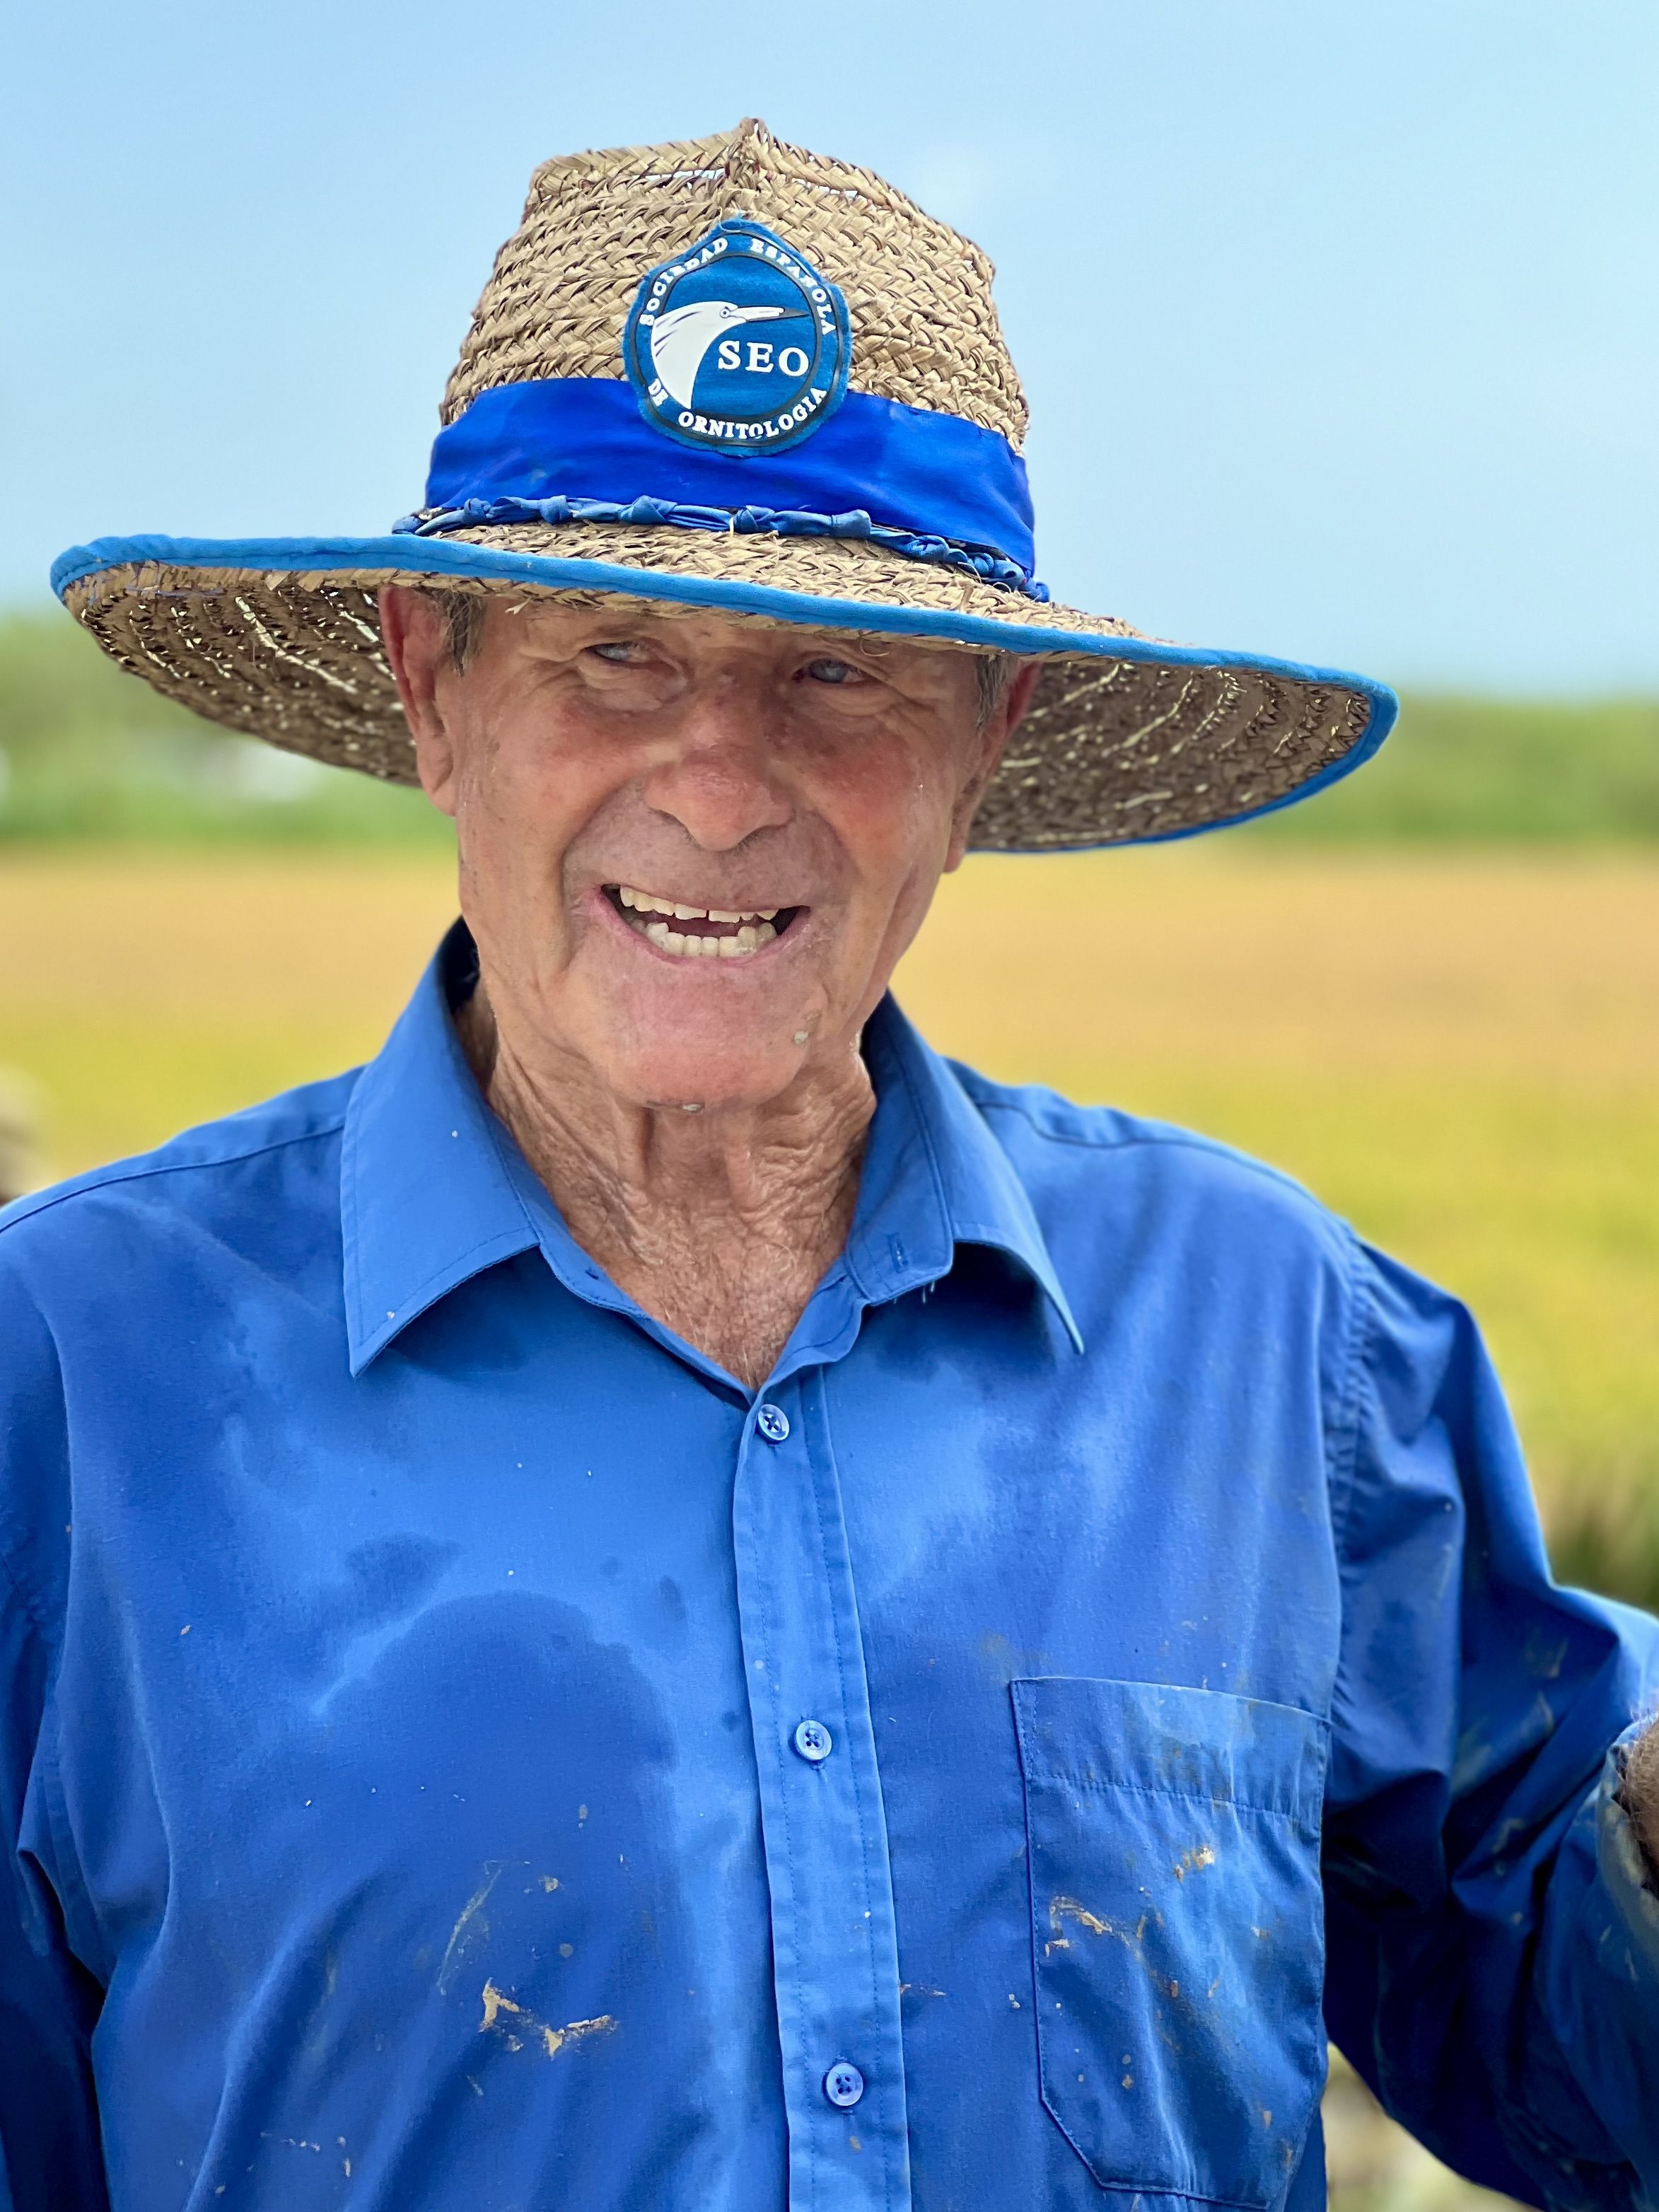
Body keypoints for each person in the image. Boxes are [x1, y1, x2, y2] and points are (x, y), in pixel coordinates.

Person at [6, 119, 1656, 2212]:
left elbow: (1587, 2068)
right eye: (613, 649)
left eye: (839, 672)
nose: (717, 779)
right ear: (436, 694)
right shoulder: (68, 1370)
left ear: (989, 739)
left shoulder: (1276, 1341)